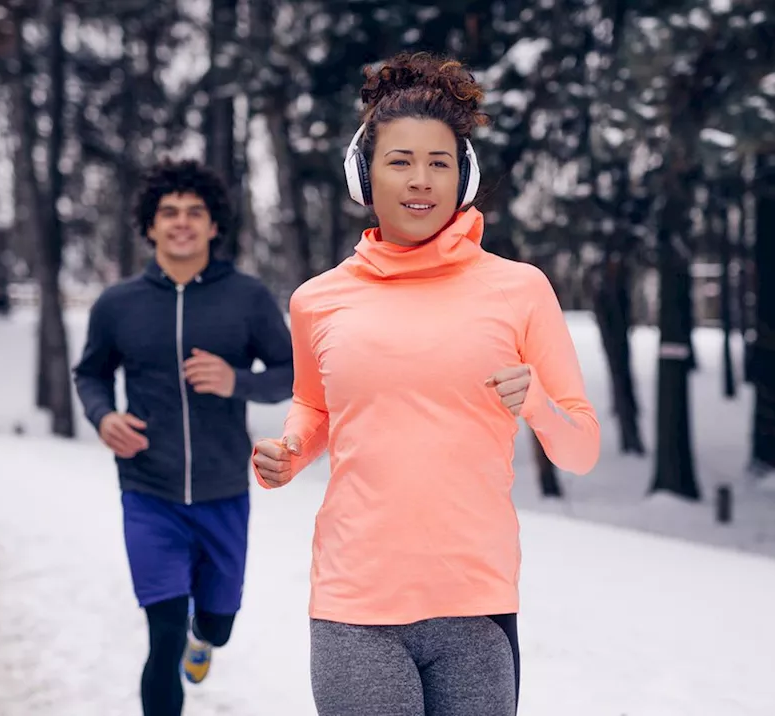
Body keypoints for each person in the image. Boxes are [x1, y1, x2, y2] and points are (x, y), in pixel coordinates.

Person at [251, 52, 601, 716]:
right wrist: (291, 451)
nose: (420, 180)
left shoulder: (519, 290)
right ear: (365, 174)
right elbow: (314, 406)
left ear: (463, 177)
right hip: (355, 604)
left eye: (439, 162)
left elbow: (582, 448)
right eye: (400, 161)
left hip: (477, 607)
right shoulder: (318, 301)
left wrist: (540, 406)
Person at [72, 159, 294, 716]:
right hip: (149, 491)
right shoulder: (117, 304)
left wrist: (234, 380)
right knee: (163, 634)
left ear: (213, 225)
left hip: (223, 492)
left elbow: (292, 374)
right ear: (149, 225)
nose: (181, 223)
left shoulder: (245, 297)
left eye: (195, 213)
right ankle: (182, 642)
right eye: (168, 213)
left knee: (216, 625)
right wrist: (103, 417)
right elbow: (91, 373)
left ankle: (208, 637)